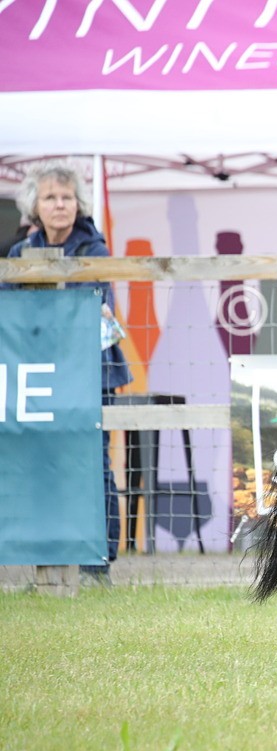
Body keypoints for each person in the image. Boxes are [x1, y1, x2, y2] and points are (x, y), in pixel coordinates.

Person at [6, 161, 133, 587]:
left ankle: (98, 567)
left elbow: (96, 316)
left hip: (91, 375)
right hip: (39, 375)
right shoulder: (20, 254)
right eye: (50, 197)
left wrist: (46, 316)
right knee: (40, 464)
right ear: (34, 206)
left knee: (93, 466)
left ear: (78, 204)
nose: (59, 205)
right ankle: (48, 564)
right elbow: (12, 317)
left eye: (66, 197)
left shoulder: (94, 251)